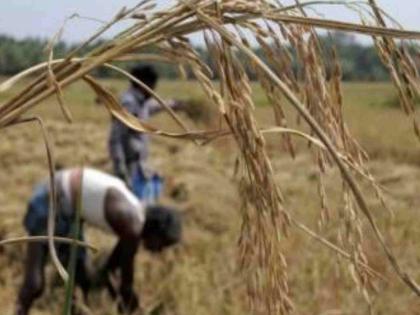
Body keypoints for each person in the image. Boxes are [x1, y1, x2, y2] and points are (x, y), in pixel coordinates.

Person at [15, 167, 182, 315]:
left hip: (69, 210)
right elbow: (126, 287)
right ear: (155, 233)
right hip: (51, 199)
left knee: (81, 279)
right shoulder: (131, 225)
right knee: (34, 284)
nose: (159, 250)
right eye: (162, 244)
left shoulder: (135, 213)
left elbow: (110, 270)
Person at [109, 64, 182, 201]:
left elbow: (151, 107)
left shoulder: (141, 101)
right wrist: (121, 171)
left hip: (139, 165)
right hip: (129, 167)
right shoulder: (128, 104)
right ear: (144, 84)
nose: (154, 90)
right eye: (152, 86)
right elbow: (115, 139)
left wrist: (172, 104)